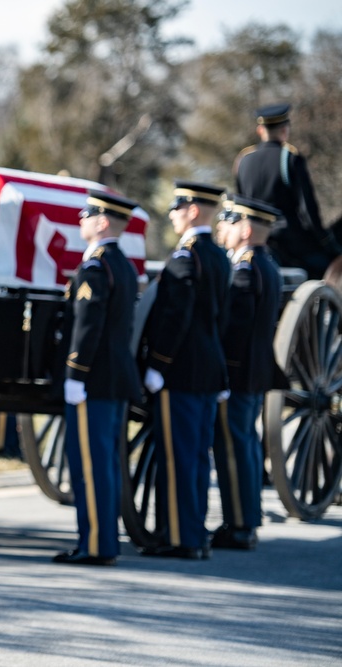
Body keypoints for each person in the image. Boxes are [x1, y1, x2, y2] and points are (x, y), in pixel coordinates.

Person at [141, 180, 230, 560]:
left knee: (178, 456)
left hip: (180, 372)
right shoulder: (219, 256)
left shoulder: (184, 258)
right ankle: (194, 532)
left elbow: (175, 318)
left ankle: (181, 538)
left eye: (178, 207)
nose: (173, 214)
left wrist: (158, 363)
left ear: (193, 210)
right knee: (195, 456)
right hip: (209, 370)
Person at [53, 191, 141, 567]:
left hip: (93, 381)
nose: (80, 220)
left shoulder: (95, 267)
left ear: (102, 222)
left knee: (90, 466)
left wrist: (75, 374)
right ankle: (103, 541)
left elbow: (87, 328)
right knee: (103, 463)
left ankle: (95, 545)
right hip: (113, 379)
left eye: (86, 215)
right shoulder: (123, 264)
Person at [211, 195, 283, 551]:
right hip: (253, 375)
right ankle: (246, 520)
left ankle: (239, 524)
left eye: (229, 221)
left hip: (236, 376)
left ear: (247, 228)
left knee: (233, 448)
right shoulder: (265, 265)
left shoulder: (244, 269)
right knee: (246, 445)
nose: (222, 228)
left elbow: (232, 331)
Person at [234, 103, 339, 278]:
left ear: (260, 130)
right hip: (289, 242)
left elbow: (240, 202)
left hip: (254, 238)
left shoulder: (243, 160)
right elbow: (307, 209)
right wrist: (325, 240)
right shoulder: (290, 158)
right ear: (285, 130)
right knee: (329, 269)